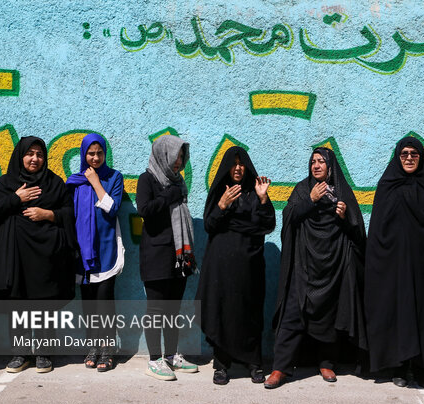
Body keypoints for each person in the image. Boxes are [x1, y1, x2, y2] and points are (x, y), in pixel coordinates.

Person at [264, 147, 367, 389]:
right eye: (313, 162)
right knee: (292, 313)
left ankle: (326, 362)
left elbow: (358, 233)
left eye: (321, 162)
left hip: (332, 266)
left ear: (331, 167)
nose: (316, 166)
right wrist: (310, 200)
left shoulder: (342, 192)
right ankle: (280, 368)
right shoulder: (303, 189)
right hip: (303, 264)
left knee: (328, 315)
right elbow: (289, 218)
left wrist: (345, 217)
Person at [364, 136, 424, 389]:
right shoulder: (388, 185)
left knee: (423, 316)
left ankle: (422, 369)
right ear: (397, 156)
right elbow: (379, 228)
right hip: (394, 268)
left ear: (421, 158)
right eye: (404, 154)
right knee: (398, 315)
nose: (408, 158)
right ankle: (400, 367)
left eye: (413, 154)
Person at [0, 136, 76, 373]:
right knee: (18, 304)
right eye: (30, 153)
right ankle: (20, 353)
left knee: (44, 304)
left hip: (46, 255)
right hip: (15, 256)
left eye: (40, 154)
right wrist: (16, 198)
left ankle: (44, 353)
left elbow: (69, 214)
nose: (35, 159)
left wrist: (49, 215)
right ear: (20, 155)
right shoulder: (7, 182)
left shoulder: (54, 183)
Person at [196, 146, 275, 385]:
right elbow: (209, 226)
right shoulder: (220, 190)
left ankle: (254, 363)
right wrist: (221, 206)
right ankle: (221, 365)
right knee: (223, 312)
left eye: (242, 163)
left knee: (250, 313)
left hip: (250, 266)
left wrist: (262, 200)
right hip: (222, 267)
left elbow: (268, 225)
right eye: (234, 163)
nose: (238, 168)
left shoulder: (255, 191)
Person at [136, 134, 198, 381]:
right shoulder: (147, 179)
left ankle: (172, 356)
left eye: (182, 156)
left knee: (173, 309)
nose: (178, 161)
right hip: (156, 255)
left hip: (179, 255)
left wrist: (173, 192)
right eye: (175, 155)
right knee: (155, 310)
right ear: (163, 154)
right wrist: (169, 196)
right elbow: (145, 211)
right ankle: (154, 359)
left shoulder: (177, 182)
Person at [66, 133, 124, 372]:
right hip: (82, 251)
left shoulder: (114, 177)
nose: (95, 157)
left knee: (104, 302)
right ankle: (92, 346)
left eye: (100, 153)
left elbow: (112, 209)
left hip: (106, 248)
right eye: (91, 153)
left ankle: (108, 350)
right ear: (83, 154)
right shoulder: (74, 182)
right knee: (88, 303)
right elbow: (68, 216)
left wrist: (96, 183)